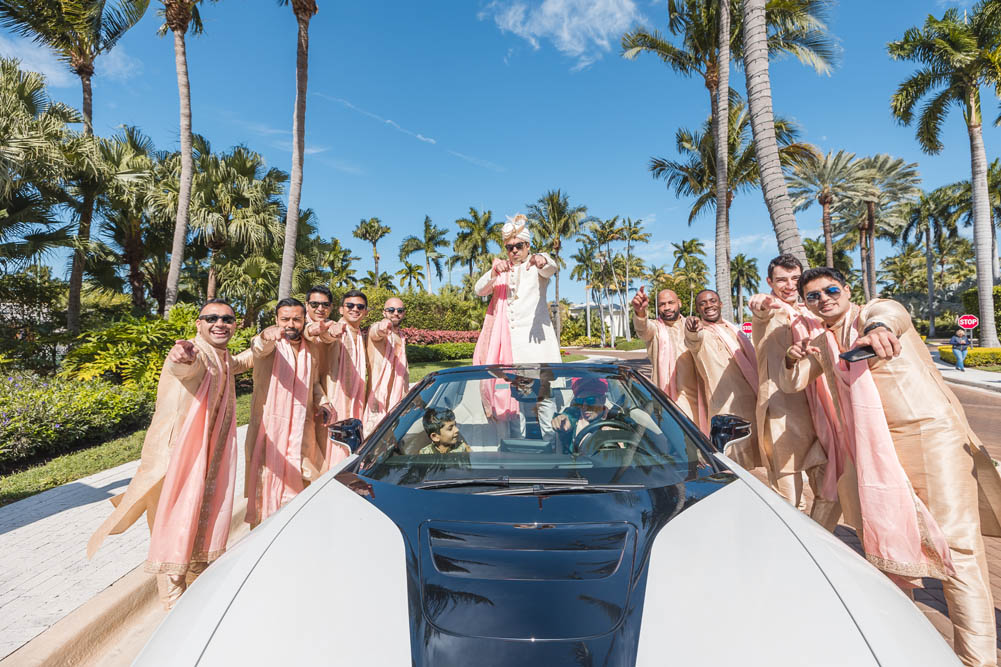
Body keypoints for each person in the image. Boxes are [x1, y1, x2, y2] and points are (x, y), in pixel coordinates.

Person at [783, 267, 1001, 667]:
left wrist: (880, 328)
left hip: (928, 438)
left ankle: (978, 659)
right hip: (870, 452)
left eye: (831, 290)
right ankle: (906, 648)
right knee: (885, 551)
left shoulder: (875, 313)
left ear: (849, 291)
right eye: (813, 297)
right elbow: (794, 383)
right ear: (806, 305)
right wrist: (791, 355)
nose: (824, 299)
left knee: (957, 549)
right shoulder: (819, 340)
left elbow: (891, 315)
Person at [86, 299, 253, 609]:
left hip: (209, 463)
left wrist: (271, 339)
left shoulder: (224, 357)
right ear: (198, 324)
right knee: (176, 530)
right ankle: (173, 611)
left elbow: (245, 360)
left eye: (227, 319)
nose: (220, 323)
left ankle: (199, 603)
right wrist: (181, 356)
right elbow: (184, 368)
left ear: (235, 325)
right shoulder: (196, 352)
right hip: (181, 461)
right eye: (212, 317)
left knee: (201, 528)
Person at [748, 255, 837, 529]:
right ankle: (789, 550)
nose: (788, 285)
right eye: (781, 280)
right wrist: (761, 304)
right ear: (769, 282)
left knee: (830, 490)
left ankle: (819, 544)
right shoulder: (769, 314)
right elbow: (759, 310)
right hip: (782, 414)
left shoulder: (813, 312)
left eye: (795, 279)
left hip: (820, 414)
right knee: (788, 496)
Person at [473, 214, 560, 434]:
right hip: (510, 353)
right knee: (516, 406)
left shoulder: (537, 263)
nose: (514, 251)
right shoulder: (501, 270)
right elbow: (479, 289)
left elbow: (551, 267)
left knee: (545, 403)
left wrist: (542, 259)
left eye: (518, 246)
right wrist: (493, 271)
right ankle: (519, 449)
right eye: (509, 247)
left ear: (527, 245)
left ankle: (553, 449)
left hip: (537, 350)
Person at [244, 298, 326, 528]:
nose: (291, 324)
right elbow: (259, 347)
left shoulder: (310, 350)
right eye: (285, 319)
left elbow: (314, 384)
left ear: (303, 320)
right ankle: (264, 536)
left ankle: (297, 531)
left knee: (307, 481)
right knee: (267, 486)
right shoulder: (267, 343)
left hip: (302, 430)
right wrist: (265, 336)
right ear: (276, 320)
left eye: (296, 319)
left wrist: (325, 403)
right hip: (270, 433)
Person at [684, 289, 759, 467]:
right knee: (734, 462)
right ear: (697, 308)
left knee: (761, 455)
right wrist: (693, 330)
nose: (708, 305)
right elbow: (692, 340)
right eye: (702, 303)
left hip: (753, 402)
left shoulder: (734, 330)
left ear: (720, 304)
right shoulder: (702, 333)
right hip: (726, 408)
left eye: (712, 301)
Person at [631, 286, 700, 424]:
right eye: (662, 304)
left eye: (671, 303)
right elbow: (643, 329)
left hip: (694, 400)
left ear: (679, 303)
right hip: (663, 398)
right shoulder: (655, 328)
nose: (667, 307)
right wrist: (640, 312)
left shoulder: (692, 325)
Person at [312, 289, 368, 434]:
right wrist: (331, 331)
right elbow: (327, 336)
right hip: (336, 402)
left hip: (357, 400)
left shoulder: (360, 334)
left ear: (365, 312)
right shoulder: (336, 328)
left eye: (360, 307)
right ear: (341, 310)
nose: (355, 309)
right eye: (350, 306)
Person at [363, 297, 410, 435]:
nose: (395, 313)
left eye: (399, 310)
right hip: (379, 402)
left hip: (398, 402)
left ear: (404, 314)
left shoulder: (400, 336)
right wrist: (382, 326)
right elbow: (375, 332)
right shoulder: (378, 329)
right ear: (384, 313)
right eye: (391, 310)